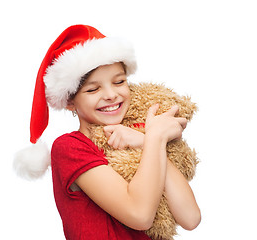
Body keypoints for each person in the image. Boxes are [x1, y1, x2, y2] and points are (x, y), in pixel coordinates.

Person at [14, 25, 201, 239]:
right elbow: (139, 214)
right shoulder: (70, 147)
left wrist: (143, 141)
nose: (111, 94)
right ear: (70, 102)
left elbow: (190, 217)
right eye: (93, 89)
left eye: (119, 81)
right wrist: (156, 137)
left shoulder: (136, 139)